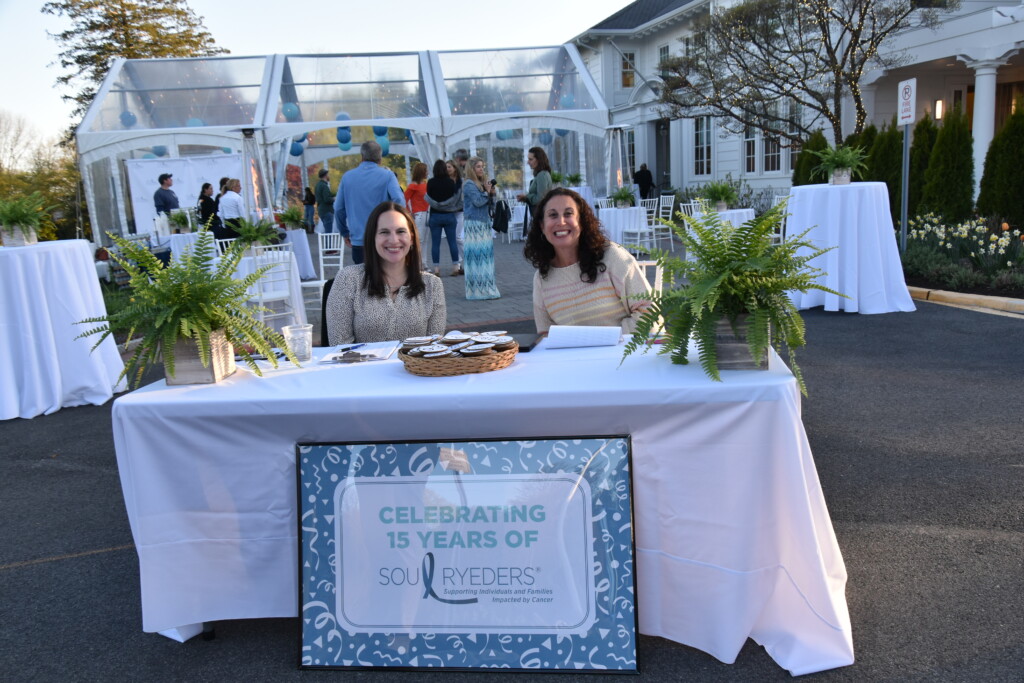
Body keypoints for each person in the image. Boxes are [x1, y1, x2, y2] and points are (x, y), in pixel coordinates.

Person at [524, 188, 651, 336]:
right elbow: (545, 335)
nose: (561, 221)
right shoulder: (541, 278)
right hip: (574, 358)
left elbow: (649, 312)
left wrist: (605, 340)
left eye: (568, 214)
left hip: (623, 354)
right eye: (553, 215)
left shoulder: (612, 257)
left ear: (581, 222)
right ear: (542, 226)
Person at [325, 202, 446, 344]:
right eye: (384, 232)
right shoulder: (348, 279)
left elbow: (434, 349)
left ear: (411, 238)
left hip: (414, 367)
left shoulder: (432, 285)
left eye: (401, 231)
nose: (394, 240)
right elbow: (340, 347)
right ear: (373, 238)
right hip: (360, 366)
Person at [333, 141, 405, 265]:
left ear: (362, 156)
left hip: (359, 240)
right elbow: (399, 200)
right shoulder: (388, 176)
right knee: (386, 279)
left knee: (362, 280)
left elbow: (338, 208)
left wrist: (344, 232)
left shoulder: (347, 177)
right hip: (383, 239)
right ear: (380, 158)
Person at [461, 156, 501, 300]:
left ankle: (486, 287)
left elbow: (490, 204)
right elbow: (478, 202)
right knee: (477, 257)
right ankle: (477, 290)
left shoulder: (480, 183)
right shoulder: (469, 184)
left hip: (483, 223)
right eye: (478, 166)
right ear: (471, 168)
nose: (481, 169)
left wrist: (491, 192)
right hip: (473, 224)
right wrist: (486, 191)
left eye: (482, 166)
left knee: (485, 257)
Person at [424, 159, 461, 276]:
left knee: (435, 243)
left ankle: (436, 269)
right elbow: (455, 197)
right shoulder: (450, 182)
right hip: (449, 215)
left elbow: (429, 196)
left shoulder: (430, 182)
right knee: (452, 242)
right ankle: (455, 267)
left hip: (435, 215)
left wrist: (436, 204)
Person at [516, 147, 553, 226]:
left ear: (538, 159)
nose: (528, 162)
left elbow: (540, 198)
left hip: (541, 216)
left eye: (531, 159)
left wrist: (527, 197)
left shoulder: (542, 175)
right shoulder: (541, 174)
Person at [404, 161, 430, 270]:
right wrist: (409, 212)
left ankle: (423, 263)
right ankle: (417, 263)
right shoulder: (413, 186)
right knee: (419, 241)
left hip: (427, 213)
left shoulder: (425, 185)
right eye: (426, 170)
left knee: (424, 240)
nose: (427, 172)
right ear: (422, 172)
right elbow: (404, 199)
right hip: (419, 214)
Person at [452, 148, 470, 270]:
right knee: (457, 236)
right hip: (461, 208)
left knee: (457, 236)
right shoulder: (467, 171)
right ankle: (458, 262)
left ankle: (465, 259)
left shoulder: (464, 173)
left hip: (461, 208)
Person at [314, 168, 334, 237]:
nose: (328, 176)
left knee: (326, 231)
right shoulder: (324, 186)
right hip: (327, 211)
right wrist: (334, 199)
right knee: (328, 233)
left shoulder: (318, 185)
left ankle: (327, 247)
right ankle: (328, 247)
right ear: (325, 175)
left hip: (321, 210)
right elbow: (327, 199)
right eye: (328, 174)